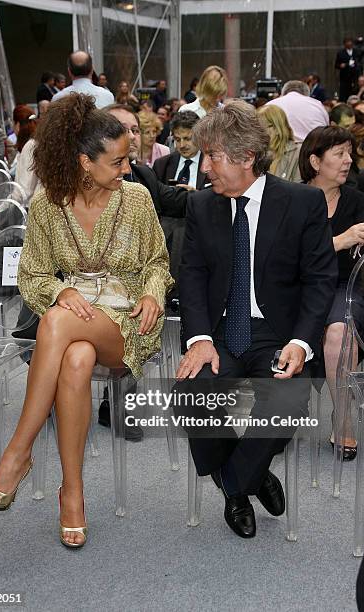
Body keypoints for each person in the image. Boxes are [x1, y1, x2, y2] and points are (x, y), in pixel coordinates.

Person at [0, 93, 173, 548]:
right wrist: (60, 290)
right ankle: (73, 494)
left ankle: (17, 454)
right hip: (76, 316)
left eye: (128, 160)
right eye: (118, 161)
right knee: (76, 358)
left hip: (127, 323)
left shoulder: (137, 198)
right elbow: (33, 274)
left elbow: (157, 262)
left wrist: (151, 293)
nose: (127, 169)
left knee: (57, 325)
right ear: (85, 161)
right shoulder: (48, 207)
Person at [174, 100, 337, 538]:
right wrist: (199, 339)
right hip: (221, 332)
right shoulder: (202, 207)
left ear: (247, 158)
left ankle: (233, 484)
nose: (204, 166)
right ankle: (254, 472)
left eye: (213, 156)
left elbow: (321, 280)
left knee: (284, 398)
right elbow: (190, 277)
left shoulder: (302, 203)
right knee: (193, 390)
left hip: (278, 334)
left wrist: (302, 343)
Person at [299, 125, 364, 459]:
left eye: (350, 153)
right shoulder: (291, 199)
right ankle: (279, 412)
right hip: (295, 289)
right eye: (339, 153)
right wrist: (341, 240)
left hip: (344, 287)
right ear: (315, 160)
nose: (348, 160)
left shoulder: (357, 201)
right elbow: (288, 258)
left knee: (339, 330)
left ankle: (343, 421)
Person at [153, 110, 206, 189]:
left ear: (199, 136)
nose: (182, 145)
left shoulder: (211, 164)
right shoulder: (162, 165)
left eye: (187, 139)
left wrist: (197, 196)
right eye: (177, 140)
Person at [257, 104, 301, 182]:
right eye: (257, 127)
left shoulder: (298, 154)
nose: (258, 132)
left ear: (277, 129)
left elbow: (300, 189)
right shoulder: (256, 154)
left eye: (263, 127)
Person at [335, 37, 360, 102]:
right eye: (347, 42)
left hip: (355, 76)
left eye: (350, 42)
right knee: (344, 94)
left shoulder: (356, 52)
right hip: (344, 78)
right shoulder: (340, 53)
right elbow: (336, 65)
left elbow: (360, 62)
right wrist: (341, 65)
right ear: (344, 44)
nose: (349, 43)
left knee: (354, 93)